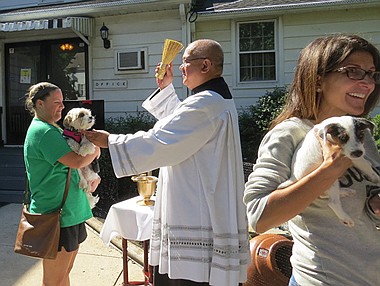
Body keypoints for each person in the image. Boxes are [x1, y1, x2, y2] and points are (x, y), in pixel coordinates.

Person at [84, 39, 250, 286]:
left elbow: (162, 140)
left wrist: (112, 141)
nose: (181, 67)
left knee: (188, 278)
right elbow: (182, 128)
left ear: (205, 65)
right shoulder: (213, 100)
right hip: (204, 201)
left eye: (185, 62)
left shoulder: (205, 103)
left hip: (196, 210)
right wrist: (166, 90)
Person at [243, 33, 380, 286]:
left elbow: (368, 204)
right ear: (318, 81)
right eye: (353, 71)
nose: (367, 83)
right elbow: (259, 217)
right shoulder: (290, 133)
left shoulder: (361, 134)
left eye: (372, 74)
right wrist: (331, 167)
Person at [24, 82, 101, 286]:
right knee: (54, 280)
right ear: (40, 104)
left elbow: (72, 166)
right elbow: (76, 161)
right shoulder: (44, 132)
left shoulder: (53, 129)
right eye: (56, 102)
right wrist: (96, 151)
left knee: (64, 274)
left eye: (62, 102)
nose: (62, 107)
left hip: (69, 212)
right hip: (57, 215)